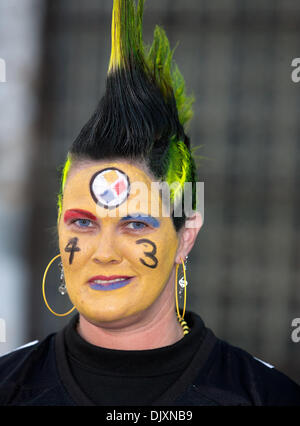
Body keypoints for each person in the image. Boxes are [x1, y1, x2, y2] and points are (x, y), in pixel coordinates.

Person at [0, 0, 300, 406]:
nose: (104, 253)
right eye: (83, 223)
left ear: (186, 237)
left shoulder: (263, 396)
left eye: (135, 224)